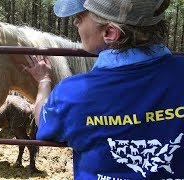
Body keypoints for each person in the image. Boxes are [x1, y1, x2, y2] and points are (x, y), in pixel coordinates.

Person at [24, 0, 184, 179]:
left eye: (79, 17)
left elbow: (43, 119)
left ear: (110, 32)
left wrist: (44, 80)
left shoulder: (74, 93)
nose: (76, 23)